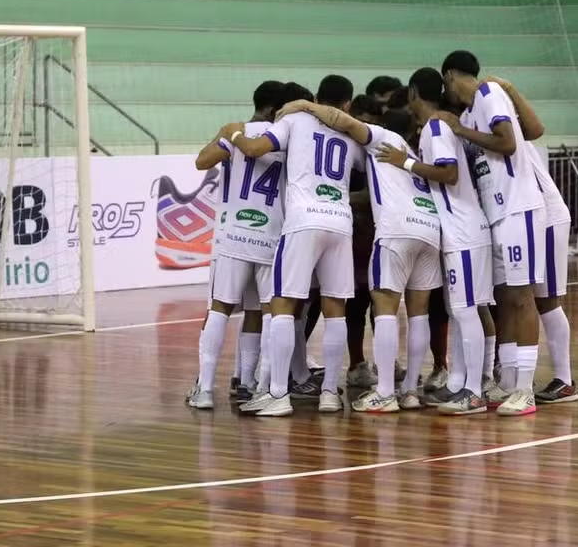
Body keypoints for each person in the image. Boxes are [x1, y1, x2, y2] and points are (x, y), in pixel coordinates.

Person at [277, 97, 442, 413]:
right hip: (429, 226)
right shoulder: (410, 150)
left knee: (384, 307)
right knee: (419, 312)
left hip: (397, 228)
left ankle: (384, 392)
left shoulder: (381, 139)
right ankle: (409, 391)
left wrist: (305, 106)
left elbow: (345, 122)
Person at [219, 75, 365, 417]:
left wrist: (234, 133)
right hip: (340, 221)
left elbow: (255, 150)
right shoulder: (346, 129)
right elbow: (363, 161)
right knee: (335, 310)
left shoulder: (293, 120)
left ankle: (278, 393)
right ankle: (329, 392)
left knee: (282, 306)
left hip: (303, 220)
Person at [376, 67, 493, 415]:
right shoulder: (438, 126)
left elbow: (449, 172)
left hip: (464, 229)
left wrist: (407, 163)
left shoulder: (436, 127)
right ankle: (460, 383)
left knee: (465, 310)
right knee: (461, 312)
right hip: (459, 229)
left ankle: (474, 389)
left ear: (413, 92)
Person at [440, 50, 547, 417]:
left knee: (522, 297)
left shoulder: (488, 96)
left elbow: (509, 142)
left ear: (451, 75)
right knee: (505, 299)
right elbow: (530, 131)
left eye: (446, 83)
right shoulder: (471, 111)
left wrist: (460, 130)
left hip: (518, 207)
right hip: (496, 213)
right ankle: (508, 382)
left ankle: (525, 388)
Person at [186, 80, 283, 409]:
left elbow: (202, 161)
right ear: (275, 108)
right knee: (265, 312)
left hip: (233, 235)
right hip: (271, 234)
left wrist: (224, 135)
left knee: (220, 308)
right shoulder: (284, 135)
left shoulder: (237, 132)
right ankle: (252, 384)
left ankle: (205, 390)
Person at [485, 75, 578, 404]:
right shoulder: (484, 132)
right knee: (514, 297)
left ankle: (564, 378)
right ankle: (509, 378)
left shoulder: (509, 132)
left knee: (545, 299)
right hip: (522, 217)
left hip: (546, 215)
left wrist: (509, 88)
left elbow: (536, 127)